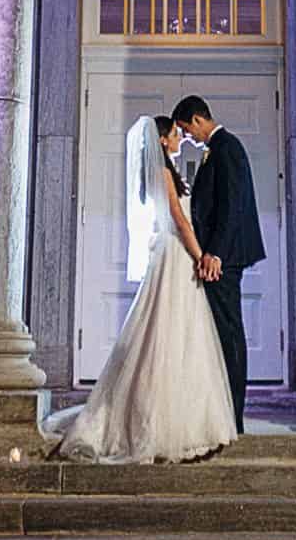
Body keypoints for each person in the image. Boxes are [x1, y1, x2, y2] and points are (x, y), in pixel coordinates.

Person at [53, 115, 237, 465]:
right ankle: (159, 424)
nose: (180, 138)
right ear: (162, 140)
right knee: (166, 335)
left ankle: (186, 420)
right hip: (174, 255)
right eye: (175, 134)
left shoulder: (161, 171)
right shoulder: (162, 173)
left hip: (171, 254)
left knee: (176, 334)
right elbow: (179, 220)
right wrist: (201, 255)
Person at [172, 93, 265, 436]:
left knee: (229, 334)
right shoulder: (220, 148)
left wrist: (216, 254)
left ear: (198, 119)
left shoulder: (228, 148)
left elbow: (232, 205)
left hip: (225, 258)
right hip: (219, 255)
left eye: (186, 129)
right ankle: (222, 412)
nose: (188, 137)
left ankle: (233, 417)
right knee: (222, 333)